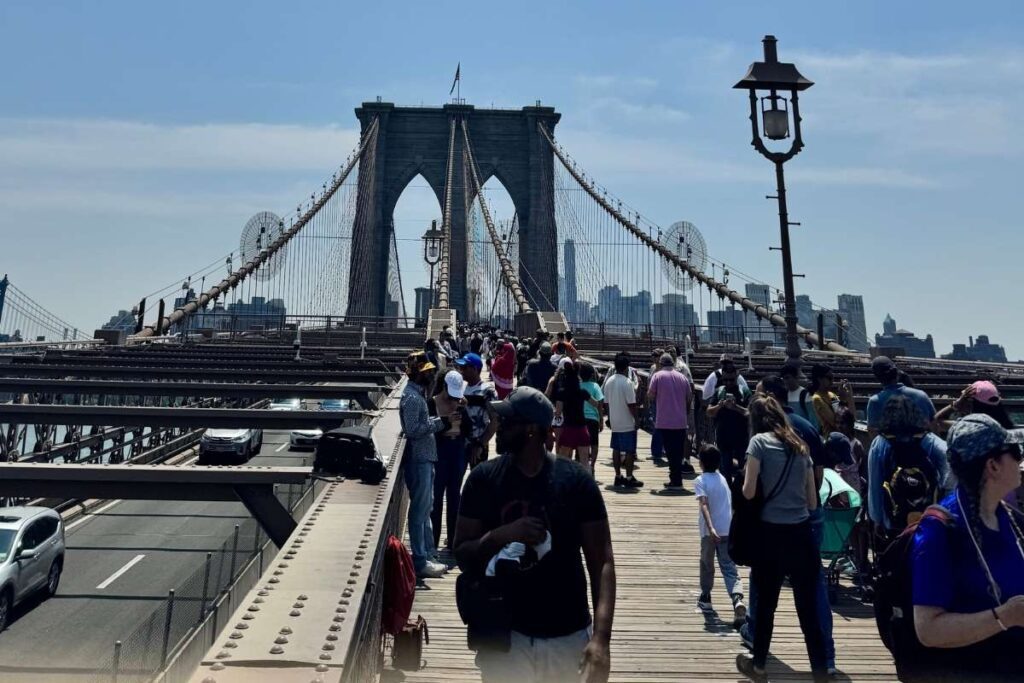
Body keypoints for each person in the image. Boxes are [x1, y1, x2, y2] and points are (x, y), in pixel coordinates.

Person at [454, 386, 615, 683]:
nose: (498, 427)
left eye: (506, 422)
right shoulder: (482, 480)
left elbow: (602, 563)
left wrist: (601, 640)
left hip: (566, 634)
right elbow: (462, 553)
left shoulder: (576, 482)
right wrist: (502, 534)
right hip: (504, 635)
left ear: (530, 430)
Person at [909, 414, 1024, 680]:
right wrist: (1005, 616)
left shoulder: (1010, 517)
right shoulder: (939, 531)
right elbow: (927, 630)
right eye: (1015, 453)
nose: (1020, 462)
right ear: (993, 466)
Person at [744, 375, 835, 672]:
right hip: (801, 535)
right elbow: (812, 501)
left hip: (770, 534)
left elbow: (748, 491)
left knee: (767, 604)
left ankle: (758, 664)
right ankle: (820, 669)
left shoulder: (758, 443)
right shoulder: (801, 446)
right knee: (807, 606)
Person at [400, 355, 457, 579]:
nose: (432, 375)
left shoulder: (415, 394)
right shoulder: (413, 398)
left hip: (425, 457)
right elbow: (414, 429)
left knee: (426, 508)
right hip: (420, 458)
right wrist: (441, 421)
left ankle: (428, 553)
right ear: (419, 373)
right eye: (427, 371)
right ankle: (421, 560)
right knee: (420, 512)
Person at [867, 396, 950, 536]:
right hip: (928, 519)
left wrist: (877, 519)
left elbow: (875, 485)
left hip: (893, 522)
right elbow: (948, 467)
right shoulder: (929, 441)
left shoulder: (880, 443)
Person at [695, 445, 746, 623]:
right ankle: (737, 598)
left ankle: (706, 597)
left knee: (707, 565)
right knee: (728, 566)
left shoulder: (701, 480)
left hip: (710, 532)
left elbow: (704, 505)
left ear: (701, 463)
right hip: (727, 528)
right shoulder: (723, 479)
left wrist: (710, 528)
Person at [432, 370, 469, 551]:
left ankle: (454, 540)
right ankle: (433, 540)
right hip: (440, 451)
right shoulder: (433, 403)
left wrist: (464, 411)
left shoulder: (461, 403)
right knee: (436, 497)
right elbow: (429, 428)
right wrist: (447, 421)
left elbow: (468, 429)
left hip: (457, 450)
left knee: (455, 496)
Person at [648, 352, 693, 490]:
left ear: (661, 364)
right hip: (680, 420)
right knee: (678, 451)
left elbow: (650, 395)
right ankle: (677, 479)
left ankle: (675, 480)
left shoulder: (657, 376)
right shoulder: (682, 377)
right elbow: (689, 396)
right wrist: (684, 411)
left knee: (669, 451)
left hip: (665, 420)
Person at [705, 360, 752, 483]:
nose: (728, 383)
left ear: (736, 376)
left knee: (743, 470)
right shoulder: (719, 391)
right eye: (725, 380)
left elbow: (750, 413)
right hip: (723, 438)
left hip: (741, 438)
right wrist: (719, 406)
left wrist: (736, 407)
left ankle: (741, 497)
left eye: (731, 380)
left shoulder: (745, 391)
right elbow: (709, 412)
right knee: (725, 470)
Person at [866, 356, 936, 438]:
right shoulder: (921, 395)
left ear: (877, 377)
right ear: (896, 372)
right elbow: (934, 425)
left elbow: (873, 433)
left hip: (892, 450)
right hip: (923, 449)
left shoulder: (875, 401)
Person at [603, 352, 642, 489]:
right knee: (630, 450)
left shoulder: (609, 381)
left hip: (615, 421)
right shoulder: (627, 383)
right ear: (627, 367)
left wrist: (609, 417)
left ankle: (618, 476)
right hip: (627, 422)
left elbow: (606, 403)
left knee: (616, 449)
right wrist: (636, 420)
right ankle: (629, 477)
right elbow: (632, 404)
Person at [553, 360, 599, 467]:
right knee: (584, 462)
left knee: (562, 462)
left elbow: (558, 413)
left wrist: (554, 412)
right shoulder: (582, 392)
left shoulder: (561, 392)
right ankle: (585, 482)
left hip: (568, 429)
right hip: (582, 429)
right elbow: (596, 404)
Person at [458, 353, 498, 469]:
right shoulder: (461, 388)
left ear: (475, 369)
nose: (461, 371)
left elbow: (495, 421)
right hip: (461, 444)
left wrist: (481, 444)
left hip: (478, 444)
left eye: (464, 368)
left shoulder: (487, 391)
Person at [935, 380, 1016, 430]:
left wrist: (957, 403)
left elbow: (936, 422)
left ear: (972, 404)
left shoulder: (965, 426)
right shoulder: (1007, 427)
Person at [808, 363, 855, 438]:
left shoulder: (832, 395)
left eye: (833, 377)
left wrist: (849, 396)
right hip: (830, 440)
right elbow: (836, 423)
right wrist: (842, 399)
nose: (832, 381)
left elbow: (850, 418)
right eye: (829, 378)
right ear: (819, 379)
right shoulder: (817, 399)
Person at [578, 361, 605, 477]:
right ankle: (592, 465)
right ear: (591, 375)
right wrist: (601, 420)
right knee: (594, 444)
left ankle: (581, 464)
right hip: (593, 419)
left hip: (579, 418)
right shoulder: (595, 386)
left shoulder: (577, 386)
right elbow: (599, 404)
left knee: (581, 443)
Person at [780, 361, 818, 432]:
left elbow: (813, 420)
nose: (785, 381)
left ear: (796, 377)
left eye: (788, 378)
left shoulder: (804, 395)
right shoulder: (783, 394)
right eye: (784, 378)